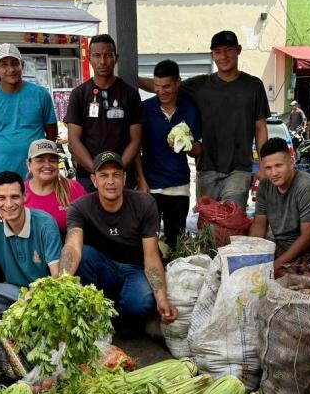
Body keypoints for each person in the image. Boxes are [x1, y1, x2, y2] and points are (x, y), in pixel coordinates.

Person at [139, 30, 269, 207]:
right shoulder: (200, 85)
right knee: (207, 225)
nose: (223, 56)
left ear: (238, 50)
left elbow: (260, 127)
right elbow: (165, 87)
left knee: (229, 222)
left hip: (239, 169)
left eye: (229, 50)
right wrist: (134, 79)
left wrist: (263, 165)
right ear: (212, 55)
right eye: (217, 52)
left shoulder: (253, 86)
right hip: (206, 168)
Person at [59, 151, 177, 334]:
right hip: (103, 265)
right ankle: (91, 313)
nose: (110, 181)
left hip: (136, 268)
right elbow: (73, 246)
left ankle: (120, 318)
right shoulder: (79, 207)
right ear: (94, 180)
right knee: (85, 254)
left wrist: (162, 299)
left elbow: (152, 256)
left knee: (141, 302)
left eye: (116, 175)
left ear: (124, 178)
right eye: (104, 176)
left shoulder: (145, 203)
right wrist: (60, 282)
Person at [0, 172, 62, 325]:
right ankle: (24, 318)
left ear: (24, 197)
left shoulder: (45, 223)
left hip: (45, 292)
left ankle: (22, 318)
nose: (8, 204)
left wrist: (35, 295)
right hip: (14, 290)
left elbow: (57, 275)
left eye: (14, 197)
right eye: (2, 198)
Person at [66, 34, 143, 193]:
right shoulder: (79, 94)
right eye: (97, 56)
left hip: (122, 177)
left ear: (117, 58)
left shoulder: (130, 94)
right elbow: (74, 140)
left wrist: (117, 172)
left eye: (108, 55)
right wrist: (97, 171)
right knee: (90, 218)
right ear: (89, 58)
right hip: (88, 178)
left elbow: (136, 140)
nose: (102, 61)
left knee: (122, 218)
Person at [140, 60, 202, 250]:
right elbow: (135, 146)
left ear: (178, 83)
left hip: (179, 186)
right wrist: (141, 180)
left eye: (166, 86)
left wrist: (187, 144)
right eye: (157, 87)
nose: (161, 92)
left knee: (176, 243)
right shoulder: (145, 109)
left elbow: (198, 150)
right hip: (152, 186)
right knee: (149, 241)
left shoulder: (190, 110)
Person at [0, 43, 58, 180]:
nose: (11, 69)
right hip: (1, 172)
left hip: (36, 172)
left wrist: (41, 157)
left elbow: (52, 131)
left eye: (14, 63)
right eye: (4, 64)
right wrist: (0, 153)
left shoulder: (40, 94)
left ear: (22, 65)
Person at [249, 137, 310, 277]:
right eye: (268, 168)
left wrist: (276, 265)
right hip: (282, 250)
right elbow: (259, 225)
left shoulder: (306, 187)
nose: (274, 173)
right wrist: (251, 256)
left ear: (292, 162)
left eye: (278, 165)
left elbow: (308, 238)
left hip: (309, 256)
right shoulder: (264, 185)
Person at [24, 138, 87, 235]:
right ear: (29, 164)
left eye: (52, 160)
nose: (47, 165)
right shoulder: (19, 192)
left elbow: (89, 219)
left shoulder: (74, 187)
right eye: (40, 160)